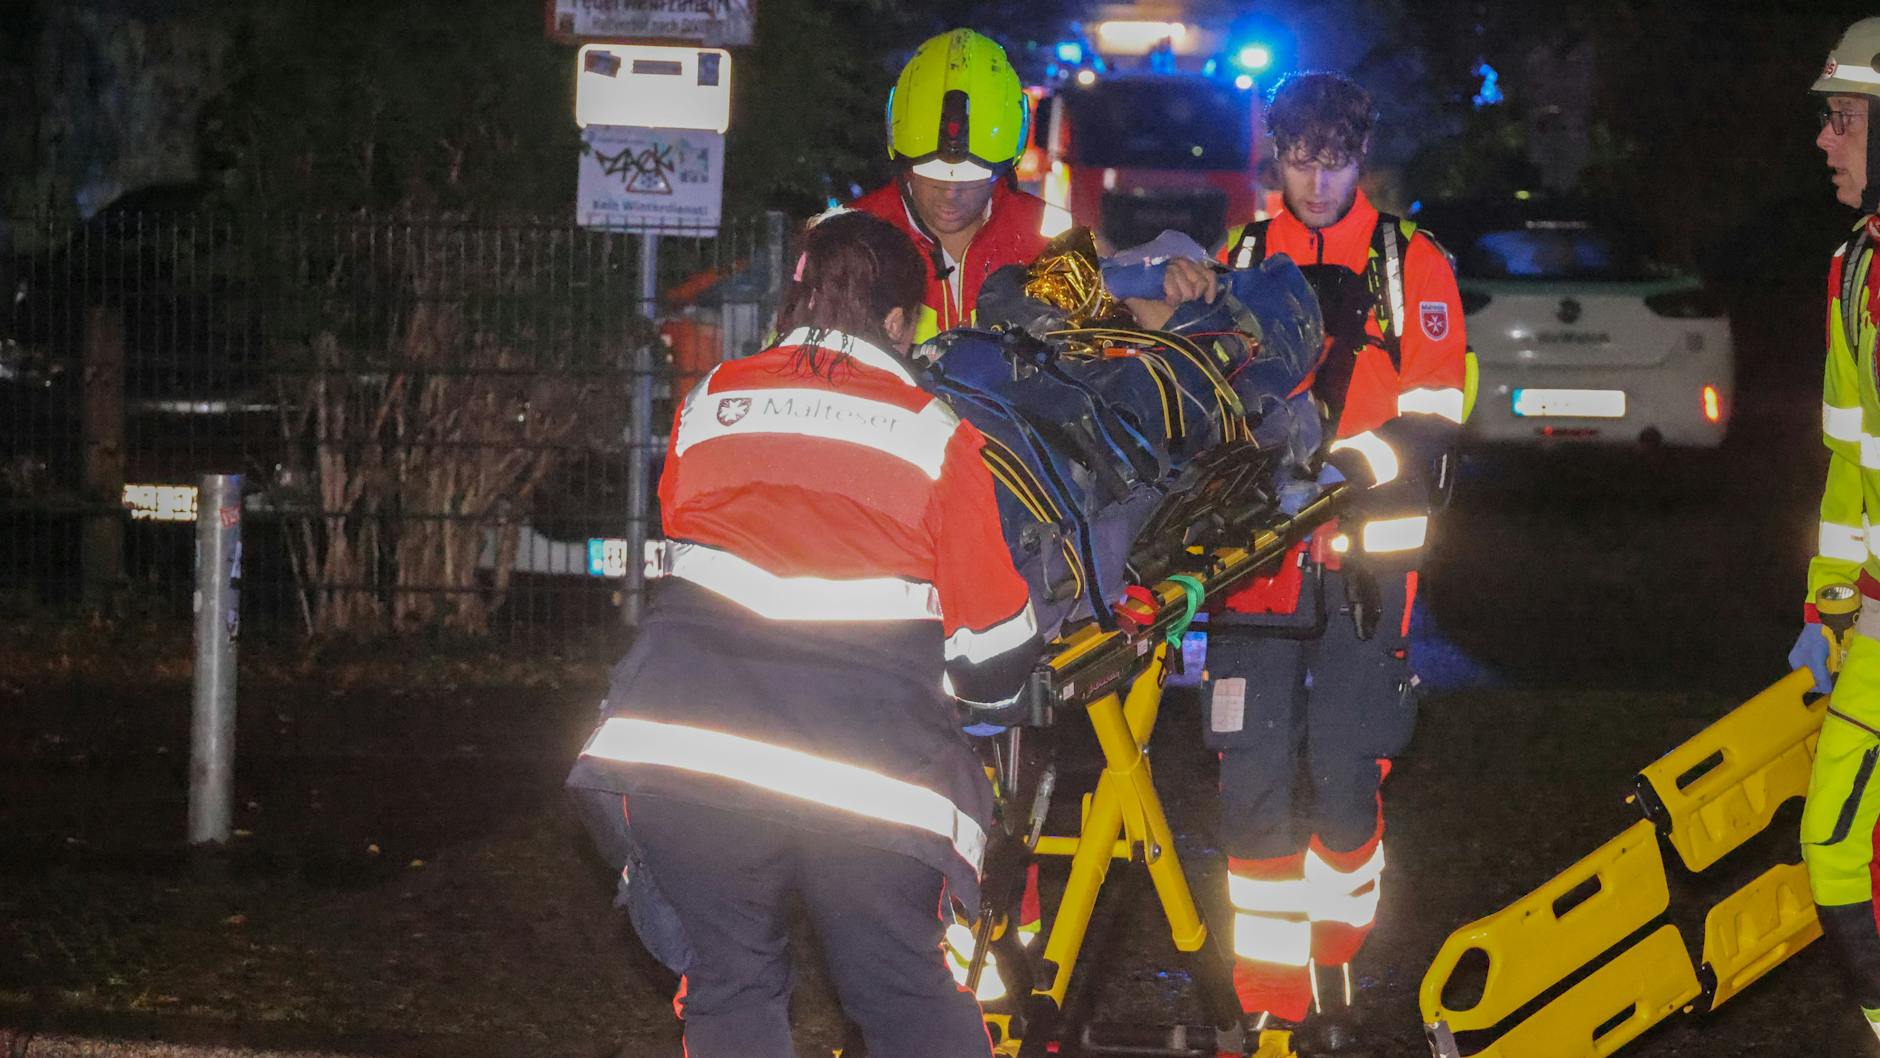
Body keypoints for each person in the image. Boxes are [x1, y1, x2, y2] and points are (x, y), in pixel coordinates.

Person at [566, 209, 1043, 1058]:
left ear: (796, 296)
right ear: (902, 324)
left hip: (685, 752)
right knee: (901, 991)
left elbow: (701, 548)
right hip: (868, 777)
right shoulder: (936, 436)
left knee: (732, 981)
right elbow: (994, 653)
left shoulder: (711, 401)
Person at [1203, 71, 1468, 1036]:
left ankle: (1336, 971)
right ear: (1277, 156)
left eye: (1336, 161)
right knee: (1251, 782)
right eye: (1301, 160)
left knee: (1351, 782)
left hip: (1365, 567)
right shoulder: (1239, 259)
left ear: (1364, 157)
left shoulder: (1413, 265)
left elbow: (1438, 411)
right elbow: (1207, 399)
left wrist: (1343, 465)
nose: (1317, 183)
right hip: (1255, 567)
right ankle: (1269, 1010)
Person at [1792, 16, 1880, 1044]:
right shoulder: (1852, 271)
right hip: (1871, 629)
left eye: (1843, 120)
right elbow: (1848, 462)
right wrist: (1827, 604)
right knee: (1831, 847)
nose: (1823, 142)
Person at [850, 28, 1051, 343]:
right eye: (932, 173)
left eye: (972, 177)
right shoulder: (849, 239)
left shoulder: (1051, 237)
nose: (951, 193)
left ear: (1003, 168)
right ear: (905, 164)